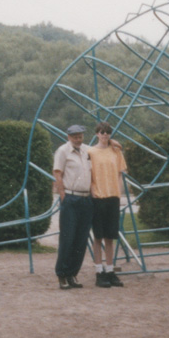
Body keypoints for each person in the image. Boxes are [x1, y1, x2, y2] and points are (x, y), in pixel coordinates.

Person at [53, 124, 93, 290]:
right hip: (71, 197)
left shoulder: (87, 151)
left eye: (80, 136)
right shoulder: (63, 151)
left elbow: (103, 148)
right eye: (75, 136)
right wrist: (63, 196)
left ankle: (73, 274)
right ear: (68, 136)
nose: (78, 139)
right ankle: (62, 274)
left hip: (86, 199)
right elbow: (57, 173)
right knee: (68, 238)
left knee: (81, 239)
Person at [89, 121, 127, 288]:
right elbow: (88, 175)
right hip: (98, 197)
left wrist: (118, 191)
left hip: (113, 197)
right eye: (102, 132)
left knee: (110, 237)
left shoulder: (115, 151)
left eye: (107, 132)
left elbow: (121, 172)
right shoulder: (90, 152)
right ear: (97, 134)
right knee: (98, 237)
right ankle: (99, 271)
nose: (105, 135)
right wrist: (93, 192)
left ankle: (110, 270)